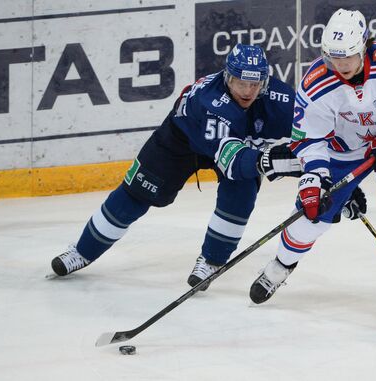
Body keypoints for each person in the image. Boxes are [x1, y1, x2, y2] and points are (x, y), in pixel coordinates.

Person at [249, 9, 376, 335]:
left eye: (348, 58)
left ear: (364, 47)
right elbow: (309, 141)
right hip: (342, 153)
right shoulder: (315, 84)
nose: (339, 66)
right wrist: (312, 180)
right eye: (331, 58)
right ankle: (280, 265)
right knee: (311, 218)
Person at [50, 43, 303, 290]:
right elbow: (232, 161)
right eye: (241, 83)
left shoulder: (280, 99)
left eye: (255, 84)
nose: (248, 91)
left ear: (265, 83)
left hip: (234, 147)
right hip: (180, 141)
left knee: (241, 193)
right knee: (135, 194)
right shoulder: (209, 102)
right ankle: (82, 251)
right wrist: (267, 161)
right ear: (227, 78)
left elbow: (316, 130)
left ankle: (212, 260)